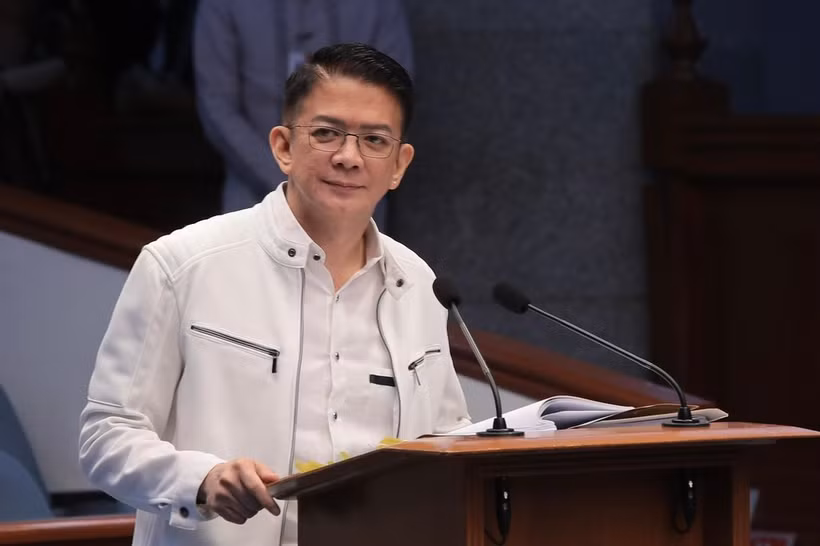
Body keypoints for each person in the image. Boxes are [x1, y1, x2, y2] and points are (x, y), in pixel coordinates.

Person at [79, 43, 470, 546]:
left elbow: (446, 438)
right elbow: (106, 437)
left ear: (399, 165)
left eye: (375, 140)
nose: (349, 157)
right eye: (327, 133)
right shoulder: (183, 264)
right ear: (283, 146)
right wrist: (201, 480)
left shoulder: (418, 284)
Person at [193, 0, 413, 216]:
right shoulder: (224, 5)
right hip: (253, 198)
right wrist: (291, 181)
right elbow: (217, 108)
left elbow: (393, 102)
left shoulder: (380, 6)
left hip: (354, 199)